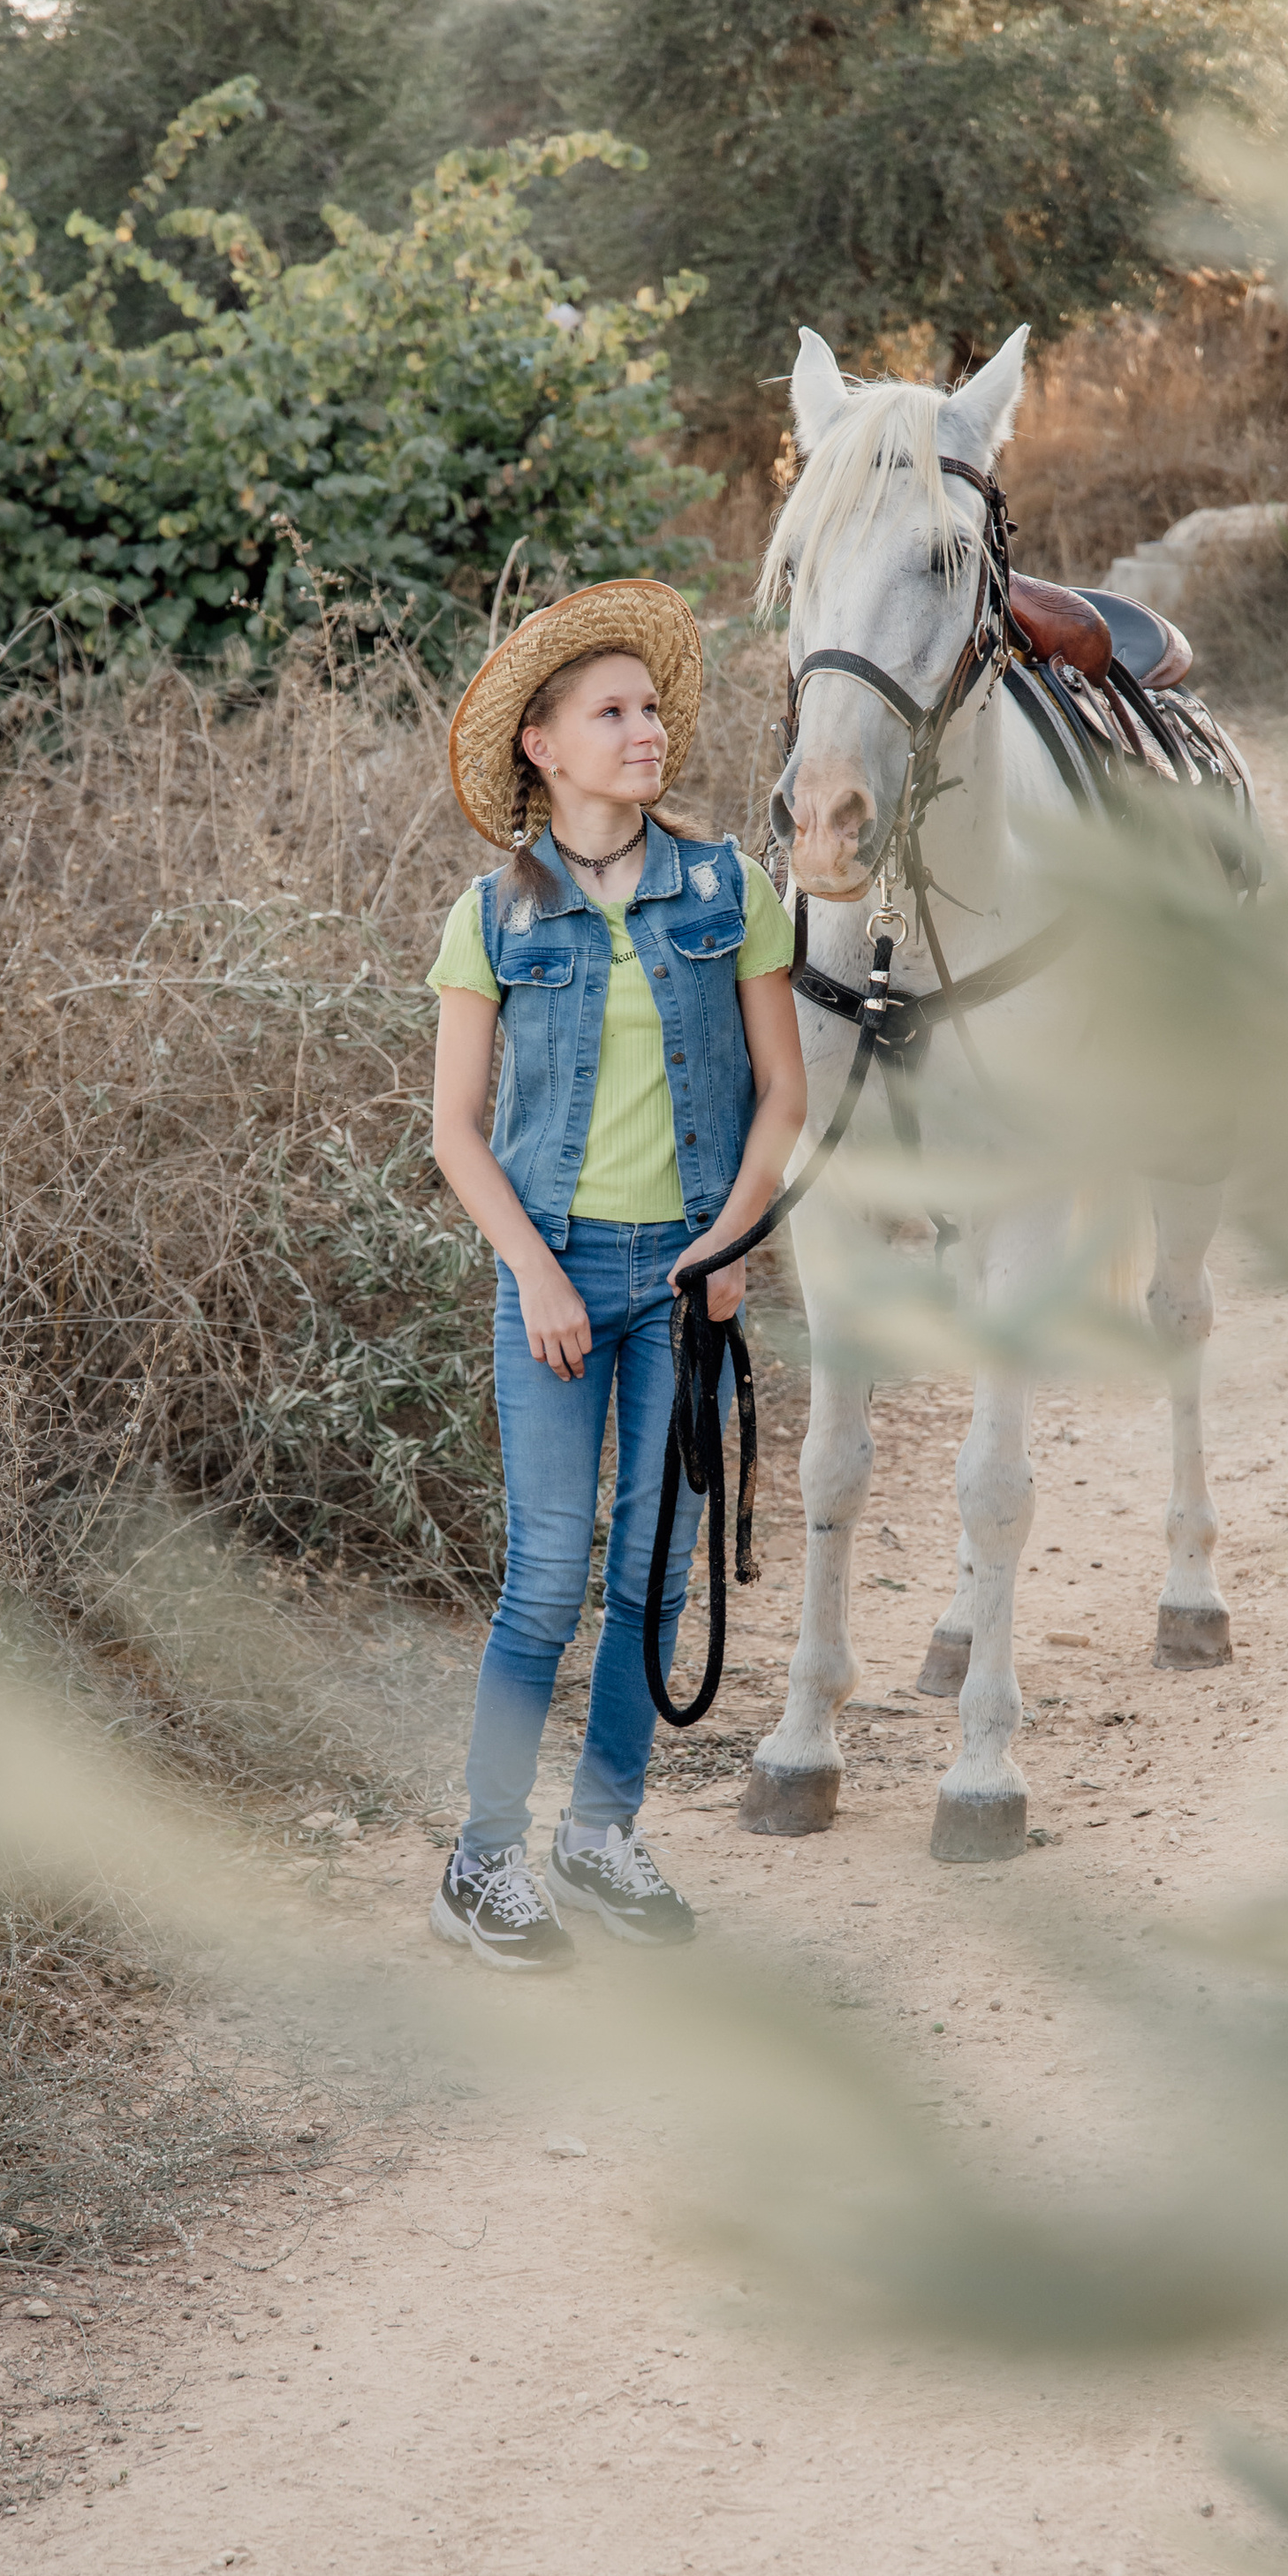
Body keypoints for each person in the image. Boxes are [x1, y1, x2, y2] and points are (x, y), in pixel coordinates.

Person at [426, 580, 807, 1969]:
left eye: (651, 710)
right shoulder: (492, 916)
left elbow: (783, 1096)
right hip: (559, 1276)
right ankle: (483, 1860)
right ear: (543, 747)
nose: (647, 731)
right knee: (544, 1581)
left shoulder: (728, 891)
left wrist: (731, 1243)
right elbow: (454, 1132)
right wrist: (535, 1273)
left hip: (688, 1283)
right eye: (613, 713)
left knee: (653, 1577)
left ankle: (600, 1834)